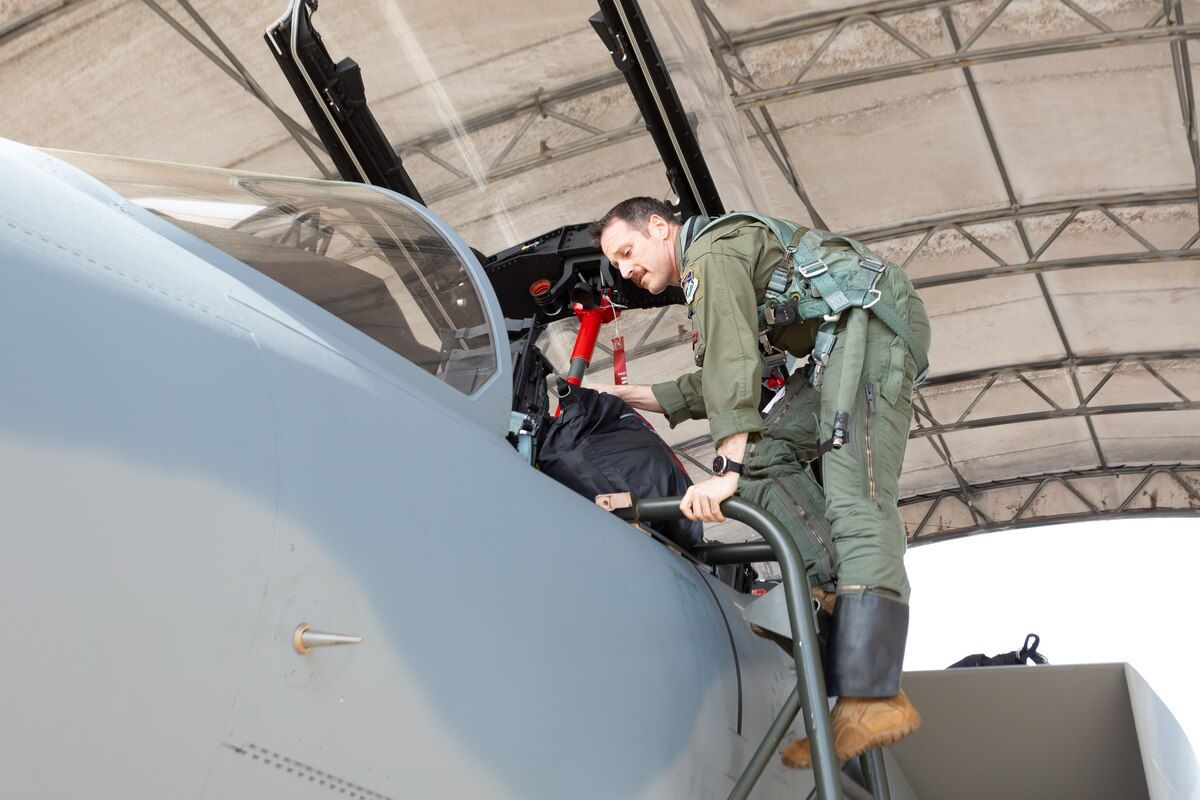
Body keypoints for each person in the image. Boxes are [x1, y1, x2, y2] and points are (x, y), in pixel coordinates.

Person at [587, 197, 931, 767]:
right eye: (616, 264)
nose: (625, 271)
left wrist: (725, 471)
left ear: (658, 228)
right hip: (833, 347)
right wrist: (637, 397)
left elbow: (731, 359)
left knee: (854, 493)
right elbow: (739, 366)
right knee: (768, 456)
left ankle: (873, 693)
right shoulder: (714, 264)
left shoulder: (711, 253)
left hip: (870, 328)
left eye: (627, 252)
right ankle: (826, 598)